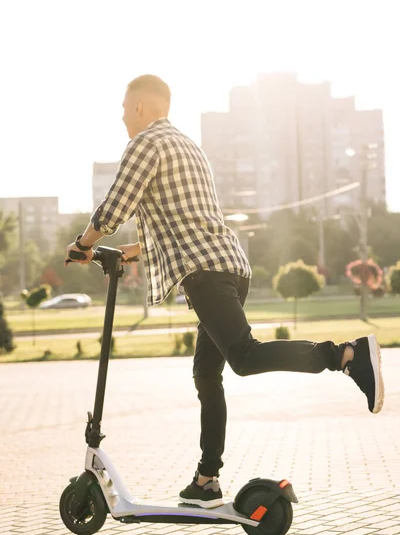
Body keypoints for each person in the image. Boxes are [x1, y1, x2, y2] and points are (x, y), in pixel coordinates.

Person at [65, 74, 385, 509]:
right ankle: (207, 480)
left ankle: (345, 355)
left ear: (140, 106)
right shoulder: (188, 146)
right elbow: (182, 227)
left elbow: (115, 206)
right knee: (206, 374)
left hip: (207, 274)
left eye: (124, 108)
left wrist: (83, 245)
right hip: (230, 267)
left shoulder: (146, 142)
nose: (122, 116)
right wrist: (126, 253)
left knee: (244, 357)